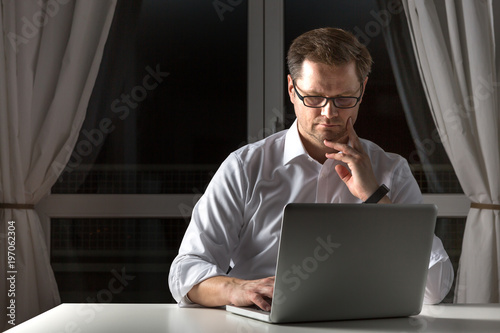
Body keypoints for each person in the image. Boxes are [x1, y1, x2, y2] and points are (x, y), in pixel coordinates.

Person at [168, 27, 454, 311]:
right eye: (314, 98)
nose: (329, 113)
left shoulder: (392, 170)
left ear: (363, 90)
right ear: (292, 90)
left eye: (344, 99)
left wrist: (375, 195)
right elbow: (185, 272)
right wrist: (237, 288)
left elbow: (435, 288)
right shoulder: (245, 168)